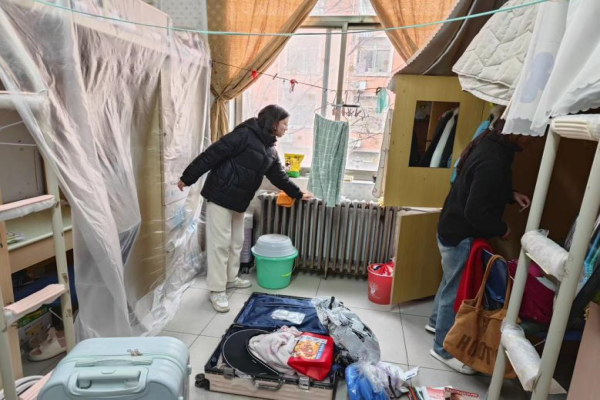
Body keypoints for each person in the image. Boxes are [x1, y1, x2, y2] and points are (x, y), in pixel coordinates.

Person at [178, 105, 312, 312]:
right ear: (273, 122)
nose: (286, 128)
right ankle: (217, 289)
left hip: (239, 200)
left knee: (236, 242)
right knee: (220, 244)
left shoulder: (270, 149)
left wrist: (297, 193)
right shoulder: (243, 135)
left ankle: (231, 278)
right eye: (284, 123)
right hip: (220, 194)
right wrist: (188, 177)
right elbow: (212, 154)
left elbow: (278, 176)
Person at [427, 121, 532, 374]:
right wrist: (500, 228)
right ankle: (442, 348)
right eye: (531, 135)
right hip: (461, 233)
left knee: (449, 281)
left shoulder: (489, 142)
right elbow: (475, 212)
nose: (532, 141)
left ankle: (434, 323)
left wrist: (510, 194)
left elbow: (482, 185)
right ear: (516, 133)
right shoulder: (493, 160)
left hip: (450, 226)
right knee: (453, 289)